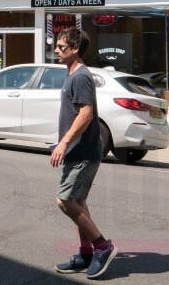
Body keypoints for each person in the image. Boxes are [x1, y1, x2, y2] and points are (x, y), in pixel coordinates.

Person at [50, 28, 116, 278]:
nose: (56, 50)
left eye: (61, 46)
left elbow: (86, 114)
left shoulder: (80, 77)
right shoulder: (72, 75)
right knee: (77, 201)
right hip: (79, 151)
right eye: (56, 45)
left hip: (83, 151)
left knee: (65, 201)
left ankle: (102, 246)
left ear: (75, 48)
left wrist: (64, 143)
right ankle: (86, 254)